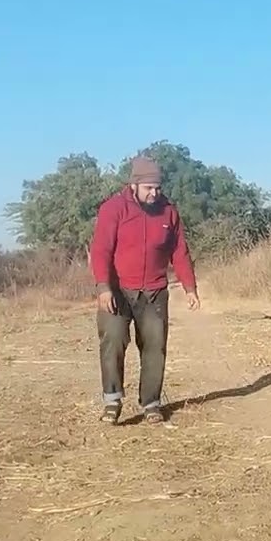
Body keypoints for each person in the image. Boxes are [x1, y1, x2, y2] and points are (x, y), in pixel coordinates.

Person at [89, 155, 201, 425]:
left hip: (154, 291)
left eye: (158, 188)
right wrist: (104, 287)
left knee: (154, 346)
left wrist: (190, 288)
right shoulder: (113, 209)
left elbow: (180, 252)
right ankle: (112, 400)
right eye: (149, 188)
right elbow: (101, 250)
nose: (155, 193)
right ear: (134, 185)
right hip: (117, 291)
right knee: (113, 340)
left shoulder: (168, 212)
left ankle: (151, 403)